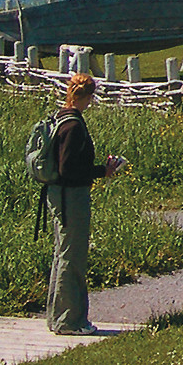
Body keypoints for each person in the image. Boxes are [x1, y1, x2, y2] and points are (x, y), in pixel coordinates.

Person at [46, 72, 126, 336]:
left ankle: (57, 318)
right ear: (88, 96)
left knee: (62, 255)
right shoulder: (73, 126)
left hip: (59, 196)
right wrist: (101, 171)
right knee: (73, 258)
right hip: (72, 198)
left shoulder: (60, 117)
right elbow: (68, 169)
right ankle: (70, 321)